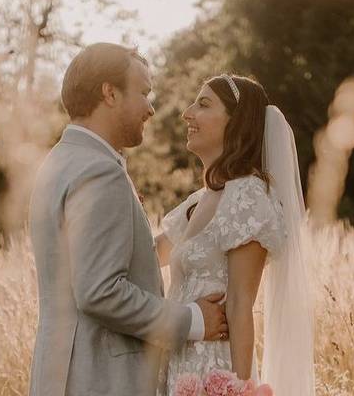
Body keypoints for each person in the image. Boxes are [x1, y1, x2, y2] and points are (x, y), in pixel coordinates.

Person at [27, 43, 229, 396]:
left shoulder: (59, 163)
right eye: (144, 92)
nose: (150, 108)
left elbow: (98, 264)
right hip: (102, 381)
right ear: (110, 93)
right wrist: (192, 320)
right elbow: (99, 292)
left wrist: (188, 223)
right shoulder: (99, 172)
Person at [156, 74, 316, 396]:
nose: (187, 113)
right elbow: (148, 253)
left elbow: (242, 302)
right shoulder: (198, 201)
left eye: (203, 104)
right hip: (177, 362)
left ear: (236, 122)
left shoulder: (247, 195)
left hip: (214, 368)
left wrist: (241, 388)